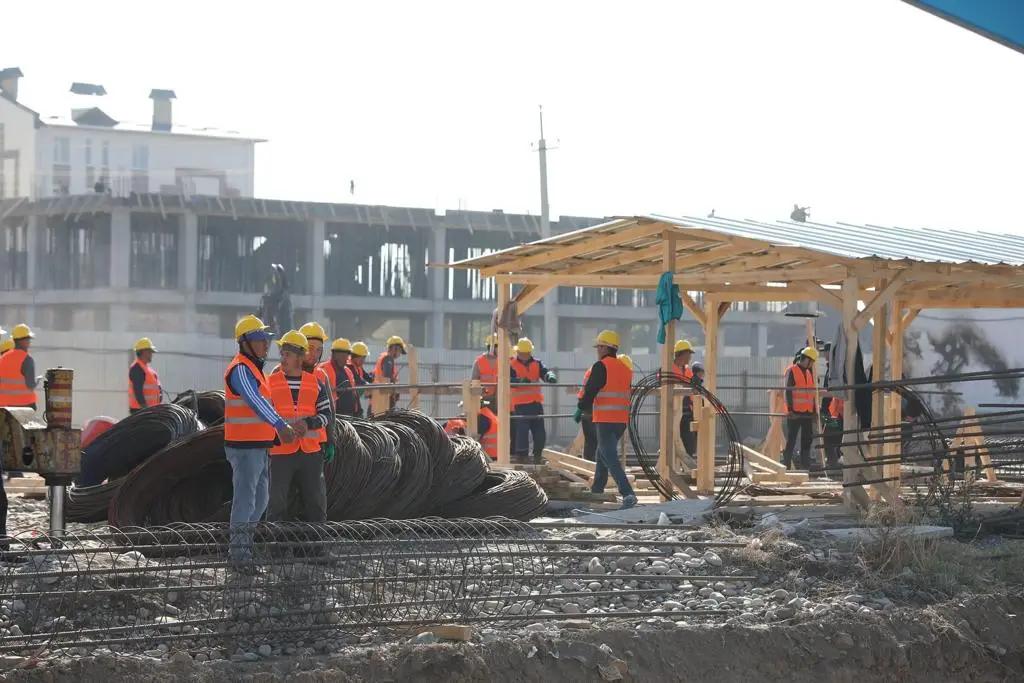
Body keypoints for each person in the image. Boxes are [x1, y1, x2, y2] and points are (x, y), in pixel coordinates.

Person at [223, 315, 297, 571]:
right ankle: (239, 557)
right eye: (259, 339)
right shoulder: (240, 369)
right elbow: (255, 402)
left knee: (261, 499)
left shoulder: (255, 369)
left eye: (266, 339)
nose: (266, 344)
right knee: (245, 500)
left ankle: (243, 548)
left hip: (259, 446)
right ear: (244, 342)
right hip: (244, 448)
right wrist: (280, 424)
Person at [266, 331, 331, 524]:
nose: (283, 358)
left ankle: (316, 549)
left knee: (315, 503)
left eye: (288, 354)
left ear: (300, 358)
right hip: (280, 453)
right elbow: (264, 415)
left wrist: (308, 423)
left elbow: (327, 415)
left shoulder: (316, 384)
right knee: (276, 504)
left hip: (311, 453)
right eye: (282, 354)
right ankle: (276, 550)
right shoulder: (270, 383)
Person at [575, 330, 637, 509]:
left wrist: (581, 406)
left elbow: (591, 389)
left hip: (605, 419)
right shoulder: (625, 369)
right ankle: (597, 491)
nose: (597, 350)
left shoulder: (601, 366)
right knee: (602, 455)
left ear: (604, 348)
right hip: (620, 421)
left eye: (599, 346)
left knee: (608, 455)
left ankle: (627, 493)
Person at [510, 337, 557, 462]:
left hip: (536, 403)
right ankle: (522, 456)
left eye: (526, 353)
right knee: (522, 431)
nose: (524, 355)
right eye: (522, 353)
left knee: (539, 431)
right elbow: (508, 380)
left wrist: (549, 376)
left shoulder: (537, 363)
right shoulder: (511, 364)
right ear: (518, 352)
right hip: (520, 404)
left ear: (530, 352)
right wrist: (520, 381)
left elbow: (545, 372)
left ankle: (537, 455)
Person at [783, 346, 819, 470]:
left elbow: (812, 394)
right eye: (812, 361)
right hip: (795, 413)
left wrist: (814, 411)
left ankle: (805, 467)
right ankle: (786, 466)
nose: (812, 364)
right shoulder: (792, 371)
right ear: (807, 359)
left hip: (807, 413)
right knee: (791, 440)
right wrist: (790, 410)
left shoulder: (809, 373)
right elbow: (787, 392)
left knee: (807, 441)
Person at [0, 324, 38, 411]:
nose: (29, 342)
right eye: (28, 339)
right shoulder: (27, 359)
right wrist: (37, 382)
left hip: (6, 405)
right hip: (25, 405)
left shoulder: (3, 357)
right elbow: (30, 385)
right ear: (22, 340)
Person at [128, 338, 162, 414]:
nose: (151, 355)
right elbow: (138, 392)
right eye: (150, 352)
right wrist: (146, 411)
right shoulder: (137, 368)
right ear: (144, 352)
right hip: (140, 412)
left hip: (150, 411)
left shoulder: (148, 369)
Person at [373, 335, 406, 410]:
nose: (399, 354)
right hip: (384, 402)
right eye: (400, 350)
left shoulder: (384, 358)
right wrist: (395, 390)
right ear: (394, 348)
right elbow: (387, 379)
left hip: (379, 399)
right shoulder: (388, 359)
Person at [472, 334, 499, 399]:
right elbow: (474, 381)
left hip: (500, 398)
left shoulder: (503, 361)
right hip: (483, 397)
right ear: (492, 347)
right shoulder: (479, 361)